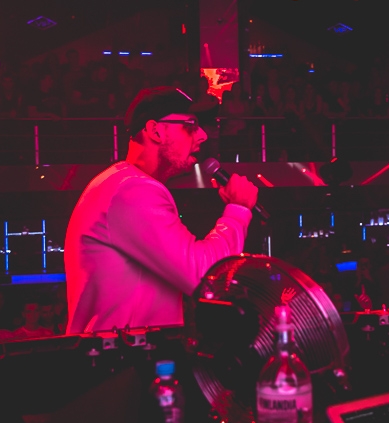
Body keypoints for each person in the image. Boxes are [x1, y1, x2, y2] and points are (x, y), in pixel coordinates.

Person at [65, 86, 258, 334]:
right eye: (190, 125)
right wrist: (238, 210)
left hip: (124, 353)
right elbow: (204, 275)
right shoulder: (131, 189)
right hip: (124, 356)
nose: (202, 135)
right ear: (155, 130)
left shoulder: (119, 184)